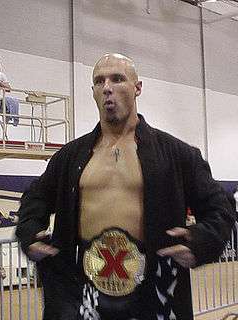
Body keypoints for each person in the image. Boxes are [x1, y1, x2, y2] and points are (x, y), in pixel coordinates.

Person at [16, 53, 235, 320]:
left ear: (137, 87)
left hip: (155, 288)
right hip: (84, 290)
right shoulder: (70, 157)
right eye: (99, 81)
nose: (107, 87)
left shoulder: (176, 154)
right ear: (93, 92)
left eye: (117, 79)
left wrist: (202, 240)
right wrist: (29, 232)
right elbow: (35, 196)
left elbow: (220, 206)